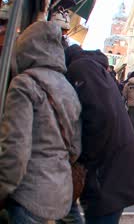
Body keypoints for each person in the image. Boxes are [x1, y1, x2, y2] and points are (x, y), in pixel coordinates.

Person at [64, 45, 134, 222]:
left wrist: (83, 160)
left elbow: (101, 115)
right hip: (111, 167)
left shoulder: (81, 68)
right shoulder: (94, 69)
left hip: (106, 171)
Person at [0, 21, 81, 222]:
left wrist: (2, 188)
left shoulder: (24, 84)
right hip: (60, 193)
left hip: (28, 194)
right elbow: (76, 148)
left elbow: (15, 149)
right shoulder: (68, 89)